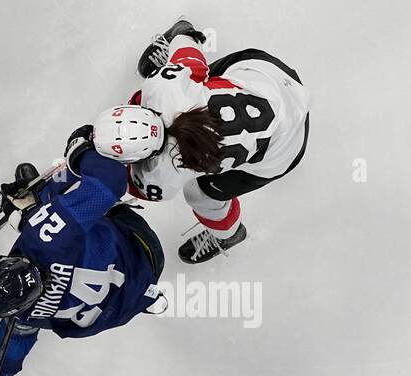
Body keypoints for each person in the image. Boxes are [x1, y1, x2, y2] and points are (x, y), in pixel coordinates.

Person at [97, 18, 310, 263]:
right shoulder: (169, 90)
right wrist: (183, 36)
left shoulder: (158, 177)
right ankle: (225, 232)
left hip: (284, 149)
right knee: (198, 77)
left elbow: (118, 183)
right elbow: (187, 43)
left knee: (200, 195)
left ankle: (228, 234)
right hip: (271, 76)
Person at [0, 132, 166, 376]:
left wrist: (29, 216)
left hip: (116, 309)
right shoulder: (43, 239)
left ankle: (0, 371)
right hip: (140, 248)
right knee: (73, 199)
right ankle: (44, 195)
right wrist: (80, 152)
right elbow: (111, 181)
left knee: (19, 330)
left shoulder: (26, 314)